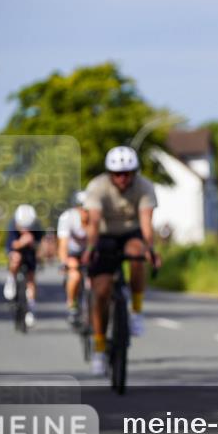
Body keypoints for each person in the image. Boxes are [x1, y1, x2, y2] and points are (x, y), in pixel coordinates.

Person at [81, 146, 160, 376]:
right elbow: (93, 224)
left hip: (130, 233)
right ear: (109, 174)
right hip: (104, 236)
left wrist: (151, 249)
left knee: (137, 253)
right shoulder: (97, 187)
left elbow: (146, 223)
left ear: (135, 172)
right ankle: (99, 348)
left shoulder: (144, 187)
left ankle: (136, 311)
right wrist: (90, 249)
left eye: (127, 173)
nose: (122, 178)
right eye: (117, 174)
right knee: (102, 290)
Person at [4, 204, 45, 328]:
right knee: (16, 258)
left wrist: (33, 244)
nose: (25, 230)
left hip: (30, 252)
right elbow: (11, 246)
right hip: (16, 251)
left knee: (31, 279)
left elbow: (40, 247)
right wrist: (22, 242)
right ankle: (11, 279)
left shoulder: (37, 228)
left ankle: (31, 310)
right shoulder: (12, 226)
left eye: (28, 228)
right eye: (22, 227)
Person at [57, 191, 90, 326]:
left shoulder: (96, 218)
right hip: (72, 251)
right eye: (81, 207)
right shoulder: (67, 218)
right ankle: (72, 305)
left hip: (89, 251)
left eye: (87, 208)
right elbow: (63, 244)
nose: (84, 211)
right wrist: (64, 263)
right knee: (75, 275)